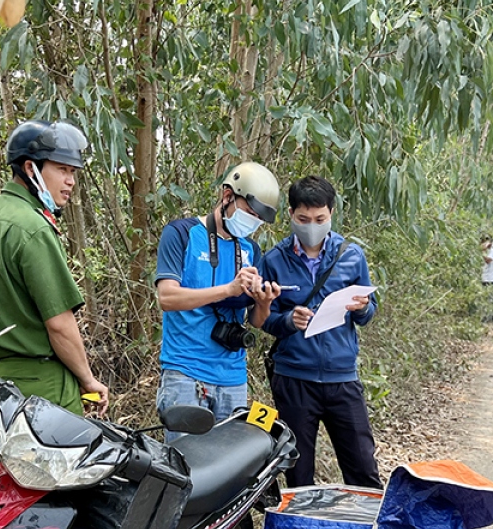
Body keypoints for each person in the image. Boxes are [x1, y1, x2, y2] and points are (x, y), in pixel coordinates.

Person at [0, 120, 110, 441]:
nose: (71, 180)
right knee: (59, 485)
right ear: (31, 168)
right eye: (62, 169)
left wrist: (0, 322)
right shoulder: (34, 229)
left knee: (2, 481)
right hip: (44, 387)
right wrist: (88, 380)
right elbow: (60, 324)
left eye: (74, 172)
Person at [254, 175, 380, 488]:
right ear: (291, 215)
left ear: (332, 214)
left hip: (342, 379)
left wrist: (362, 307)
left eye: (320, 218)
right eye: (304, 219)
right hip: (294, 380)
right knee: (298, 475)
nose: (312, 225)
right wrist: (286, 321)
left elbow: (369, 313)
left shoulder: (352, 256)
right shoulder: (273, 261)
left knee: (364, 470)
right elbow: (261, 319)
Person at [154, 163, 281, 430]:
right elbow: (167, 298)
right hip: (185, 371)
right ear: (227, 197)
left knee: (231, 466)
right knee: (186, 464)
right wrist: (228, 289)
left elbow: (256, 321)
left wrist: (264, 302)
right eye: (249, 213)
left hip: (233, 376)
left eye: (259, 220)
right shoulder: (181, 234)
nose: (252, 223)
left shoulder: (250, 249)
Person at [480, 235, 493, 322]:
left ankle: (488, 317)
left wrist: (481, 252)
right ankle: (490, 317)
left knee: (488, 298)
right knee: (489, 297)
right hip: (490, 277)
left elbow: (488, 260)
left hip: (489, 277)